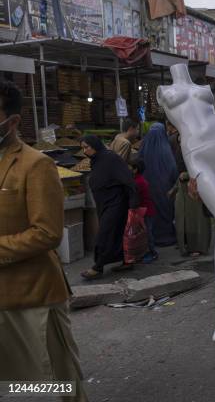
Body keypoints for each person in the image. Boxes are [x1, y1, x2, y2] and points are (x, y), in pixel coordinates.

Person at [0, 80, 89, 401]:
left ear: (10, 122)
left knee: (53, 383)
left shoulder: (36, 165)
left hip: (34, 297)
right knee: (13, 386)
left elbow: (47, 233)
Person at [80, 135, 138, 279]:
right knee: (117, 233)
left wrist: (133, 204)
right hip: (104, 203)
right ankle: (126, 261)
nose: (85, 151)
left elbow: (127, 179)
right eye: (83, 148)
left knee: (104, 234)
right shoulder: (96, 160)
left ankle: (98, 267)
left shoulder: (111, 158)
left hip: (116, 203)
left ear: (95, 145)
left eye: (87, 147)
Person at [167, 119, 212, 257]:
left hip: (196, 183)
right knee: (184, 217)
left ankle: (199, 246)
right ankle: (186, 245)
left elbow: (203, 163)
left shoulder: (197, 143)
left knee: (198, 218)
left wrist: (189, 174)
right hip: (182, 184)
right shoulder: (176, 140)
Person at [139, 123, 179, 246]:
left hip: (147, 186)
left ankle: (152, 237)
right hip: (164, 187)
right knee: (165, 210)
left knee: (151, 211)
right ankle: (166, 236)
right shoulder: (165, 149)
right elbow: (173, 169)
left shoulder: (144, 147)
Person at [130, 157, 158, 263]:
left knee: (147, 233)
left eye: (129, 168)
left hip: (146, 211)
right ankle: (145, 252)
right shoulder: (138, 180)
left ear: (135, 169)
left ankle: (152, 252)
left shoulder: (139, 182)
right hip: (145, 210)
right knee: (144, 233)